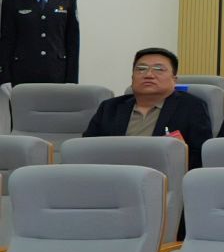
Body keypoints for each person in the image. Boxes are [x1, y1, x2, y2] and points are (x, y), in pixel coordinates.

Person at [84, 47, 214, 170]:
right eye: (141, 69)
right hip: (113, 174)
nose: (149, 75)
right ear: (132, 77)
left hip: (163, 177)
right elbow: (87, 148)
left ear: (174, 80)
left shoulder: (191, 107)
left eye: (159, 69)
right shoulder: (110, 107)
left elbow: (200, 155)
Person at [0, 0, 78, 86]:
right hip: (22, 74)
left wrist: (72, 80)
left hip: (57, 74)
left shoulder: (67, 1)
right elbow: (7, 41)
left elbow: (72, 43)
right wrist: (4, 78)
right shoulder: (12, 1)